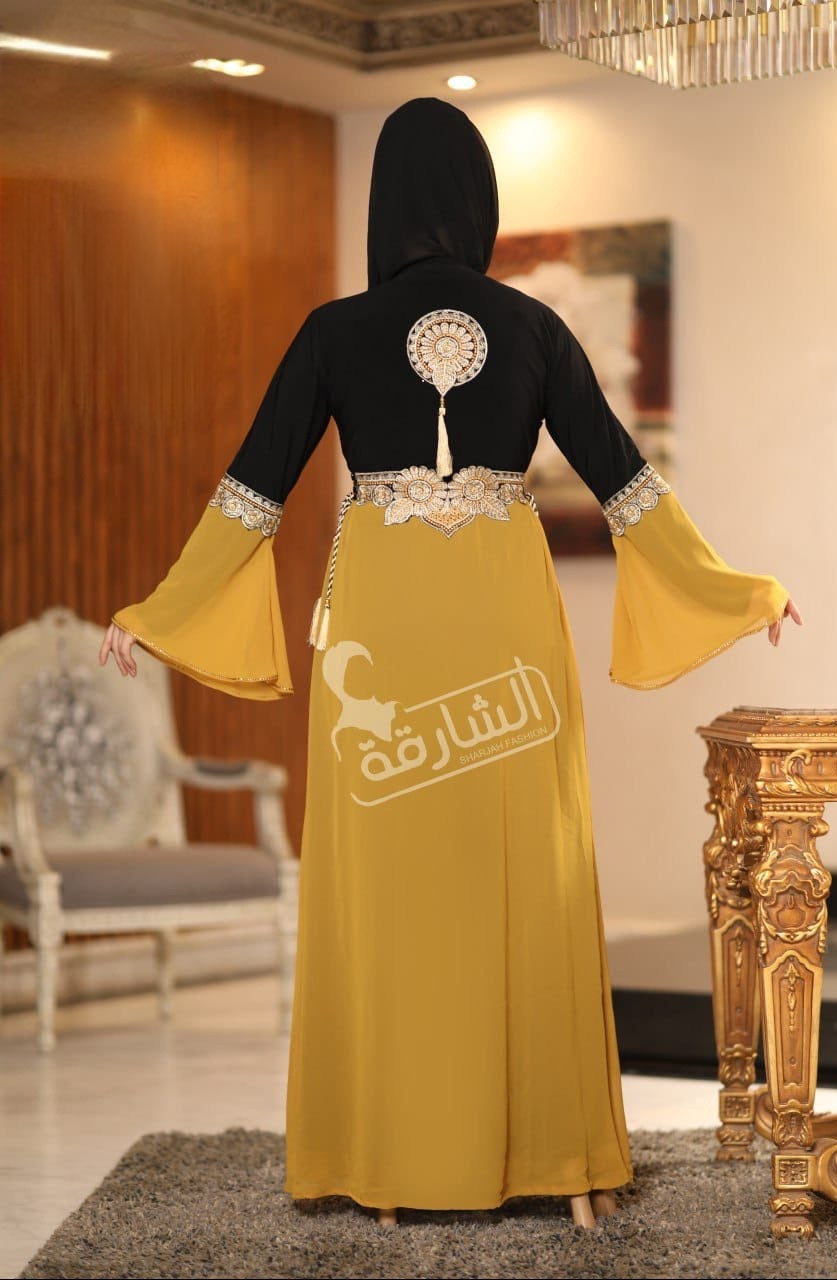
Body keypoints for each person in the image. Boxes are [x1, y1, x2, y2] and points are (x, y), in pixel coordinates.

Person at [99, 96, 801, 1229]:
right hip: (503, 623)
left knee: (392, 885)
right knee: (527, 873)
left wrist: (160, 610)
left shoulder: (334, 330)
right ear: (479, 200)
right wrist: (736, 589)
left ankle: (389, 1158)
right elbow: (627, 484)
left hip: (380, 635)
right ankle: (557, 1159)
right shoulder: (532, 326)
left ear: (384, 201)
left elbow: (252, 489)